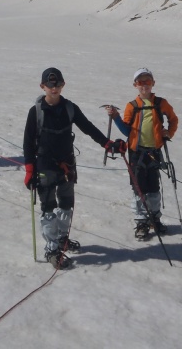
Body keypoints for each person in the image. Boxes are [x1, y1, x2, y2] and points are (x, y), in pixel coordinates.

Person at [23, 67, 124, 269]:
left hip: (67, 165)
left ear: (63, 85)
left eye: (58, 84)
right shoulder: (36, 112)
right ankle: (52, 249)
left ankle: (62, 238)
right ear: (42, 86)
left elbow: (87, 127)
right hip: (45, 166)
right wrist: (29, 170)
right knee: (49, 207)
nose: (54, 88)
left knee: (67, 204)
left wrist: (107, 143)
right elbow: (27, 142)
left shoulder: (70, 108)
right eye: (50, 85)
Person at [107, 67, 179, 240]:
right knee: (138, 188)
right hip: (136, 153)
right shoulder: (131, 106)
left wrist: (169, 132)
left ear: (153, 83)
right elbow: (127, 130)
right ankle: (141, 220)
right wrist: (116, 116)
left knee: (153, 187)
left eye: (147, 82)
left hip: (154, 151)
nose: (144, 86)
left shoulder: (161, 103)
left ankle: (154, 217)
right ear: (135, 85)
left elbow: (173, 119)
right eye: (141, 82)